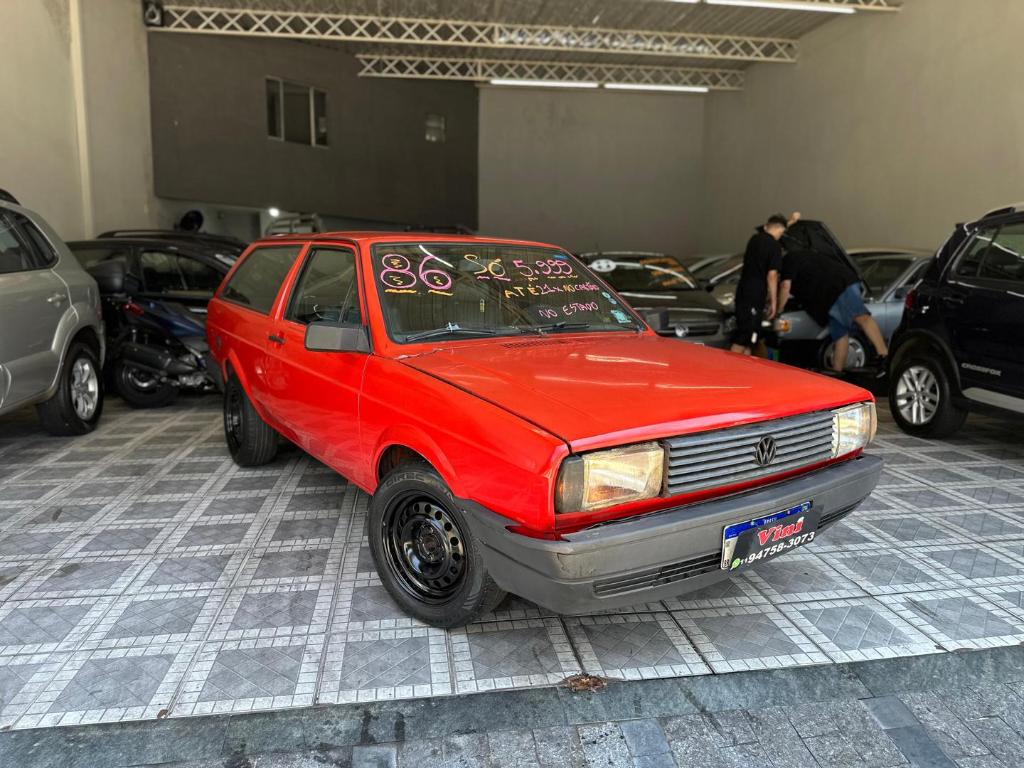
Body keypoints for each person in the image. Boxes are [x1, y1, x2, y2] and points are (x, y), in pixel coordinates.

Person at [776, 249, 888, 374]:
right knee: (840, 333)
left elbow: (785, 286)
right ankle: (836, 372)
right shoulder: (801, 257)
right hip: (832, 292)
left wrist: (778, 310)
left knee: (861, 317)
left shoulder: (789, 260)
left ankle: (884, 356)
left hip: (838, 286)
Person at [730, 212, 798, 355]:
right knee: (744, 336)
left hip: (743, 291)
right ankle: (728, 367)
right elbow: (772, 275)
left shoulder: (754, 239)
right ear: (780, 230)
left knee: (751, 339)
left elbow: (776, 226)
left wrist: (791, 221)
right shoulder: (774, 246)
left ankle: (744, 367)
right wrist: (774, 301)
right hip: (754, 296)